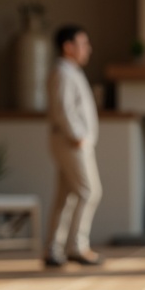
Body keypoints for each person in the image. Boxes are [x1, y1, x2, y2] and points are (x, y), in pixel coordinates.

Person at [44, 24, 102, 267]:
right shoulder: (63, 73)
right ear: (68, 46)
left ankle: (54, 249)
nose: (87, 49)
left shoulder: (71, 72)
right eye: (83, 43)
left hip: (73, 142)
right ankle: (77, 246)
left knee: (66, 196)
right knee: (89, 191)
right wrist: (78, 135)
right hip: (72, 142)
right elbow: (64, 109)